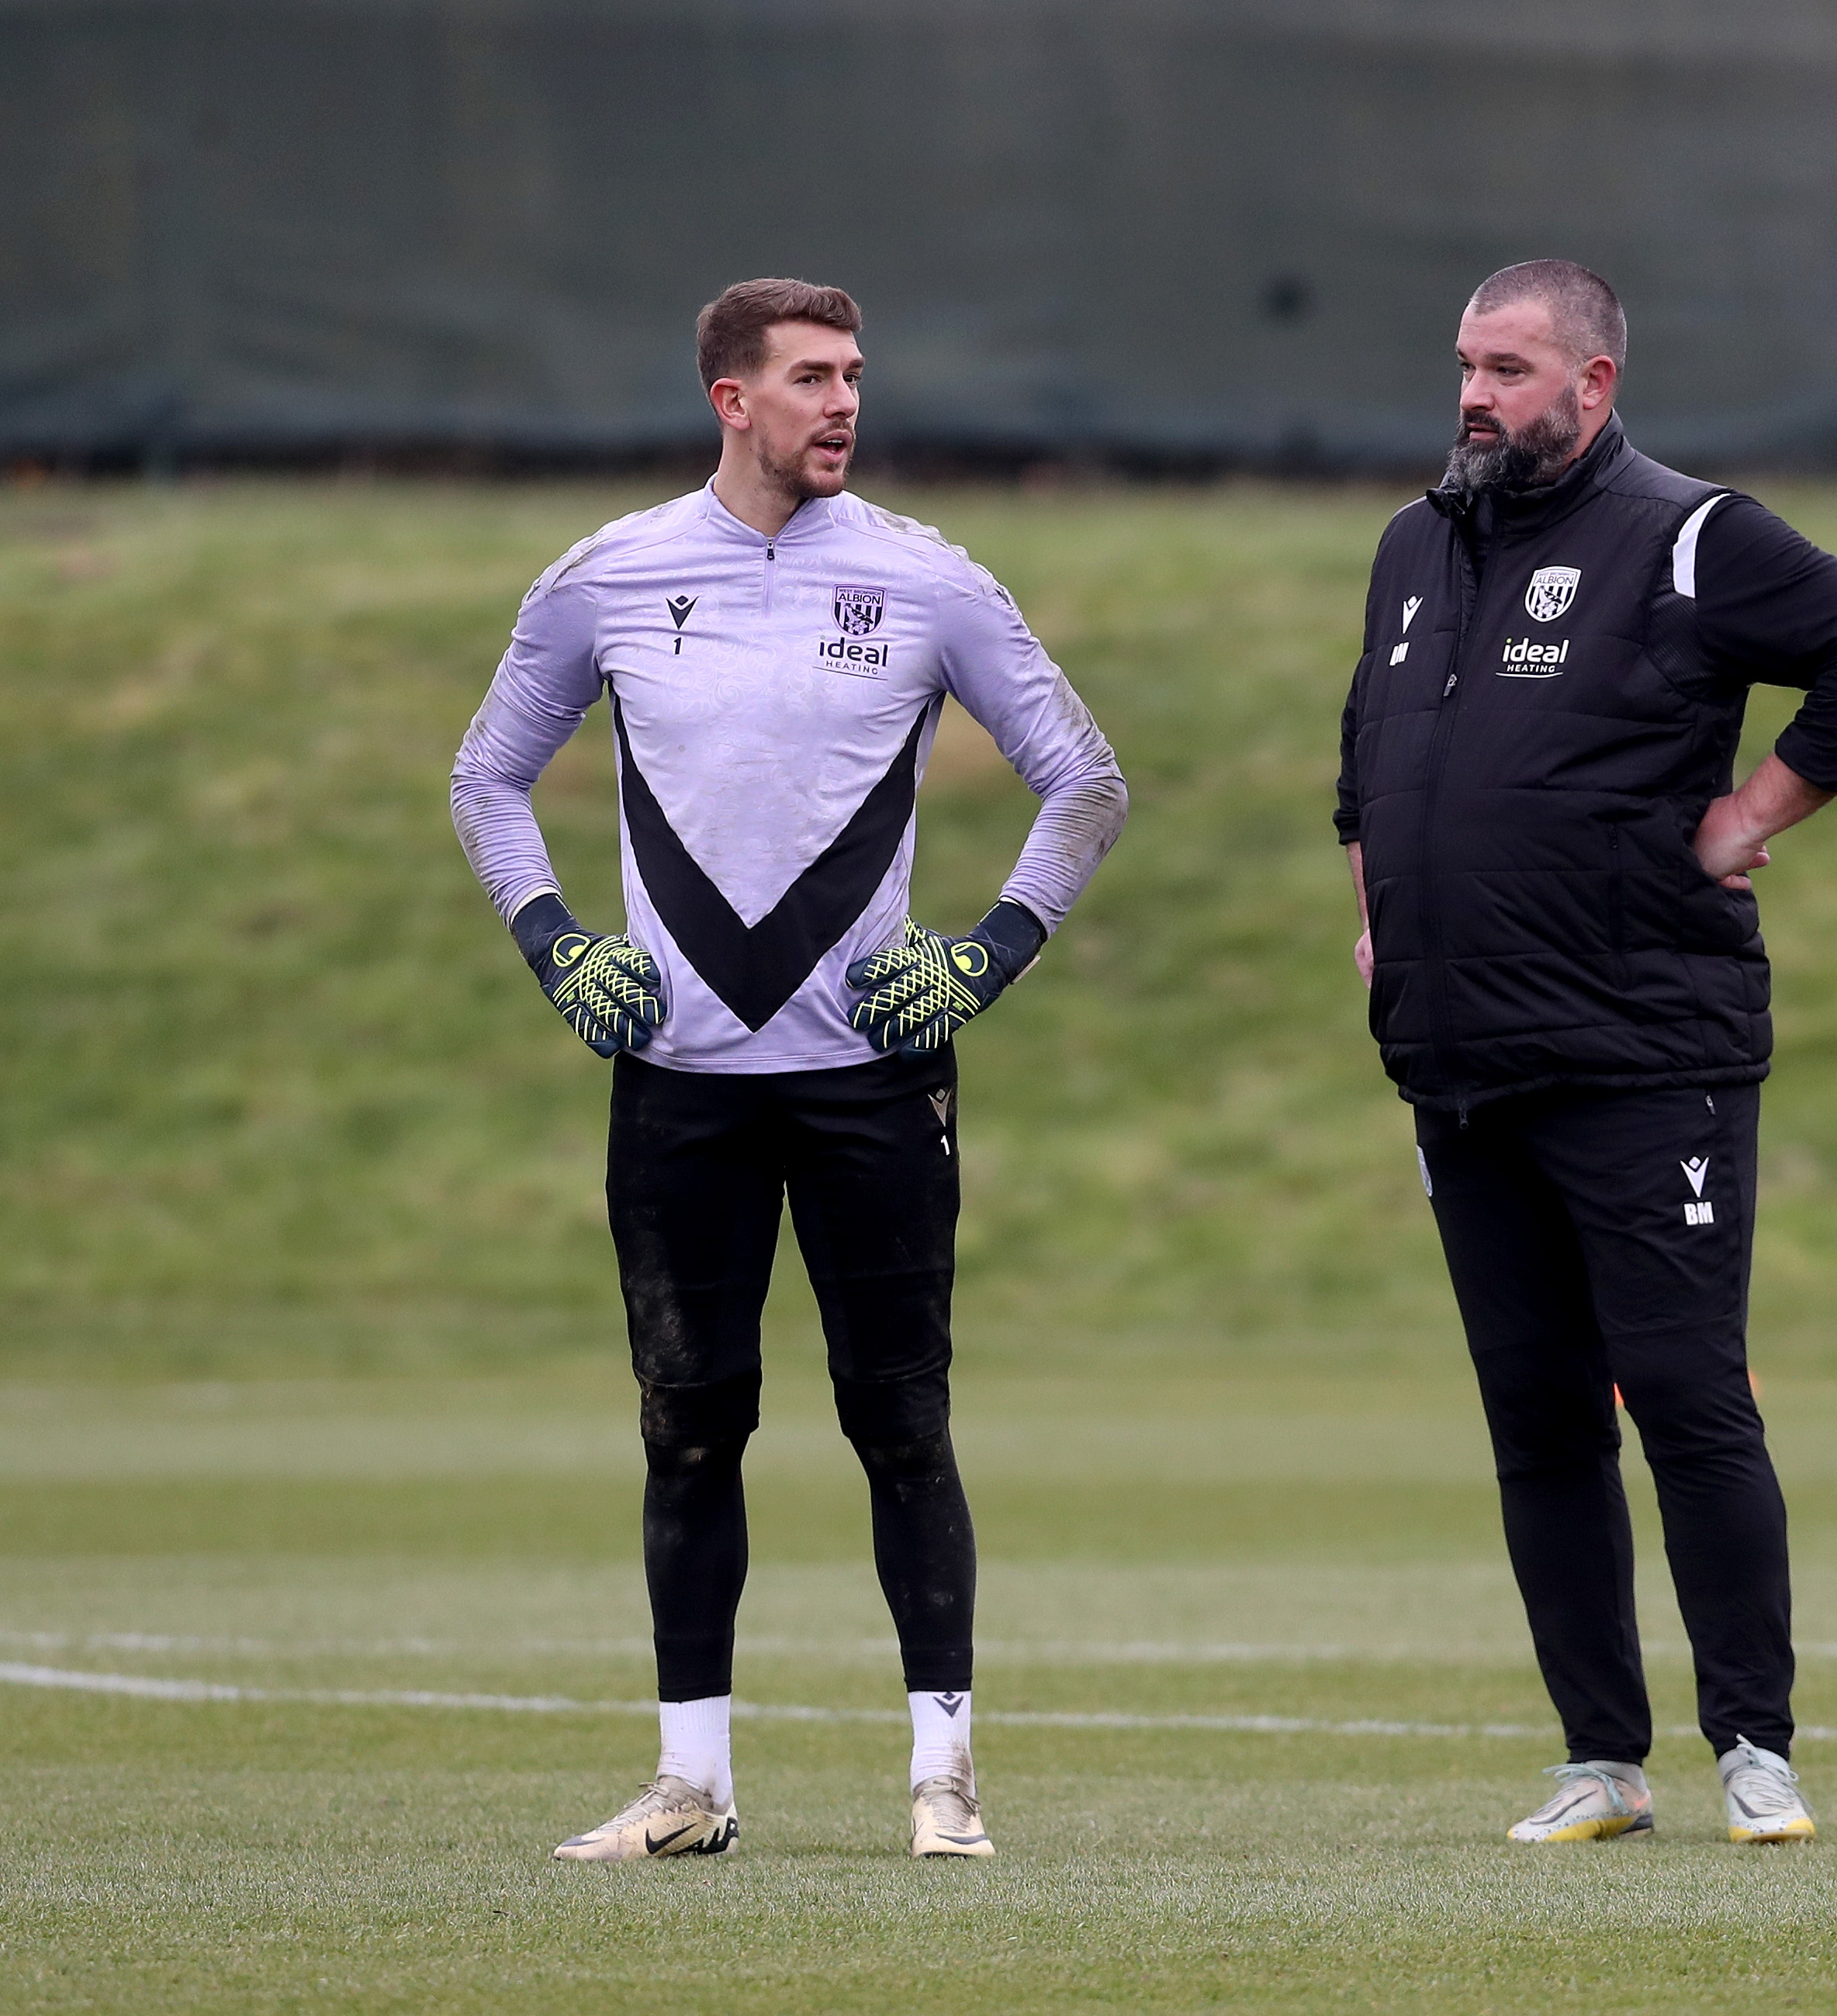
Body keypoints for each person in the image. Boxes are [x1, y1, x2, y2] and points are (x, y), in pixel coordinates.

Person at [450, 278, 1127, 1863]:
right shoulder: (607, 576)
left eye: (856, 376)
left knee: (902, 1418)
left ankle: (943, 1777)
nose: (844, 403)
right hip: (677, 1077)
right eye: (811, 377)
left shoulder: (924, 578)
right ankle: (693, 1786)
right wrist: (555, 938)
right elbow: (486, 778)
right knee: (688, 1422)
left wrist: (988, 953)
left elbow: (1082, 779)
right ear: (728, 398)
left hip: (873, 1084)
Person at [1334, 260, 1837, 1846]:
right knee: (1537, 1418)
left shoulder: (1690, 538)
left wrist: (1751, 817)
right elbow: (1368, 780)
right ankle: (1601, 1758)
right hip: (1461, 1065)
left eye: (1513, 368)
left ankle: (1756, 1745)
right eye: (1466, 362)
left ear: (1594, 384)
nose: (1476, 393)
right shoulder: (1413, 547)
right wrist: (1382, 919)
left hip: (1643, 1055)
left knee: (1683, 1396)